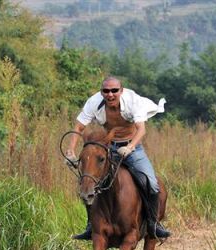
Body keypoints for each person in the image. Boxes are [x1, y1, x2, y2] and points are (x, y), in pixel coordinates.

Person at [65, 76, 171, 240]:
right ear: (102, 92)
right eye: (106, 91)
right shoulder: (94, 102)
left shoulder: (132, 101)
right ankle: (91, 225)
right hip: (108, 147)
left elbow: (141, 129)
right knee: (89, 181)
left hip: (132, 147)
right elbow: (79, 126)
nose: (110, 94)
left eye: (114, 91)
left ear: (121, 91)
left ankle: (153, 223)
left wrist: (129, 147)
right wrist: (70, 150)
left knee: (150, 181)